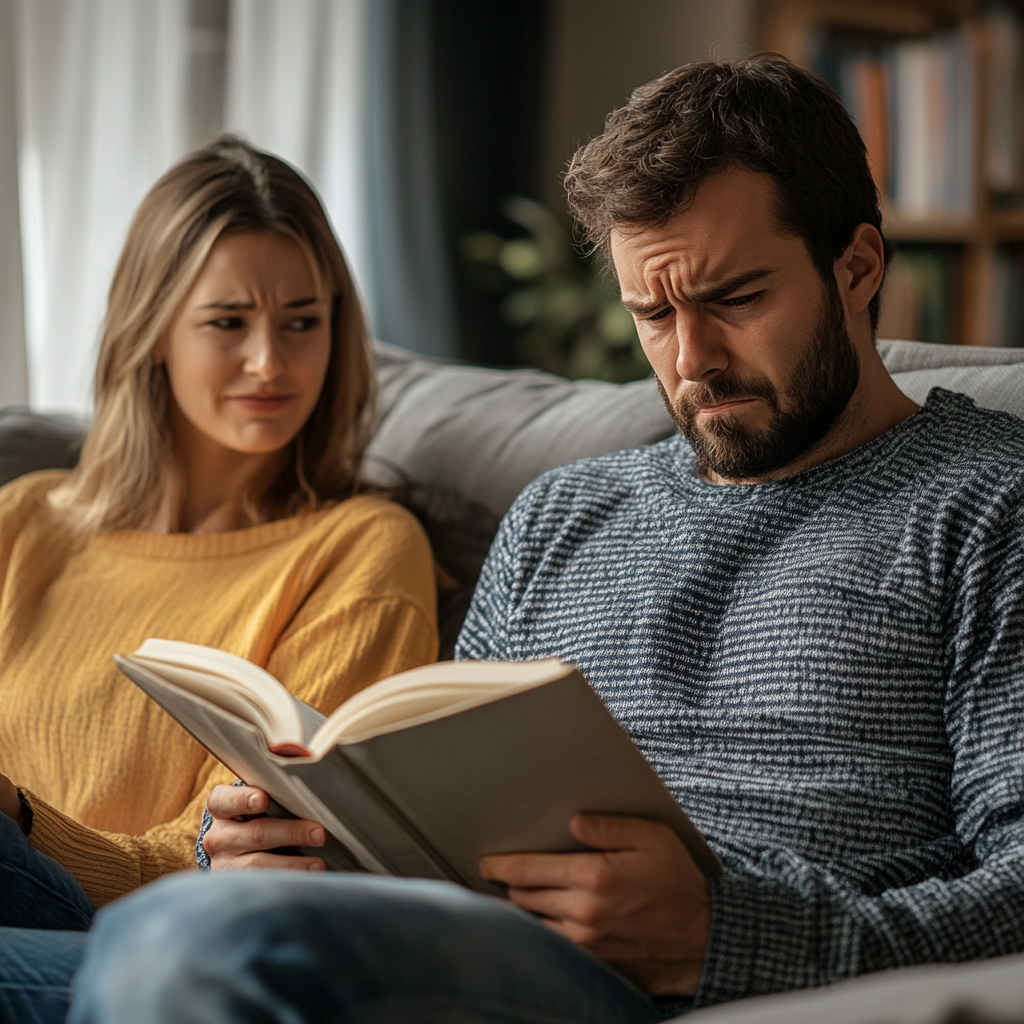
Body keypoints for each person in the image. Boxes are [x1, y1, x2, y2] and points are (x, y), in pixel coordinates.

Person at [60, 53, 1024, 1024]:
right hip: (474, 951)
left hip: (690, 980)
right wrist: (293, 840)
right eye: (652, 312)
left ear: (855, 267)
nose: (691, 359)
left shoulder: (988, 501)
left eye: (735, 299)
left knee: (178, 938)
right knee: (170, 923)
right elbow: (437, 826)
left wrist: (730, 934)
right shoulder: (562, 512)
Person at [0, 137, 438, 1020]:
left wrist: (20, 818)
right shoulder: (23, 520)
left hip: (147, 939)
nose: (271, 364)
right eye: (228, 322)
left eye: (302, 322)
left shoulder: (360, 548)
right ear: (152, 330)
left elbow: (268, 851)